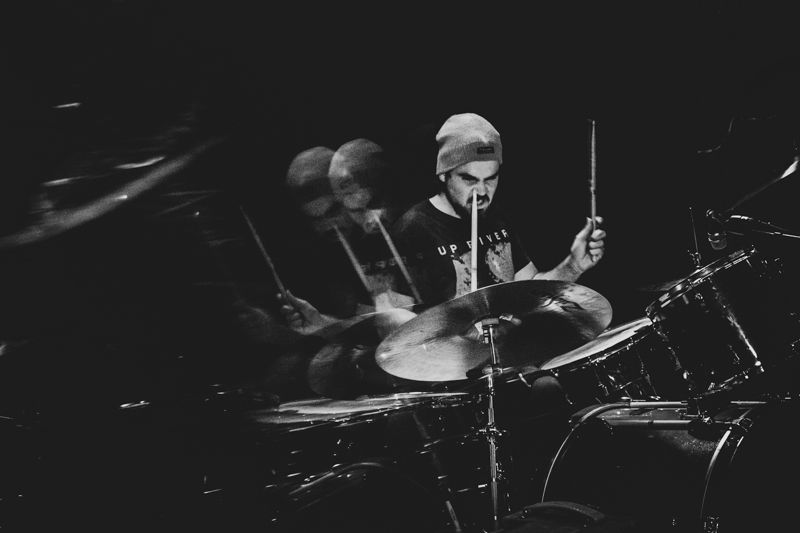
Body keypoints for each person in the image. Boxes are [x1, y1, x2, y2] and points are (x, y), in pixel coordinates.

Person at [391, 112, 606, 306]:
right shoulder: (412, 230)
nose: (481, 192)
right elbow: (399, 324)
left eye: (490, 178)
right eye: (469, 179)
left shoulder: (496, 217)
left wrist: (573, 265)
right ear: (443, 174)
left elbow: (531, 291)